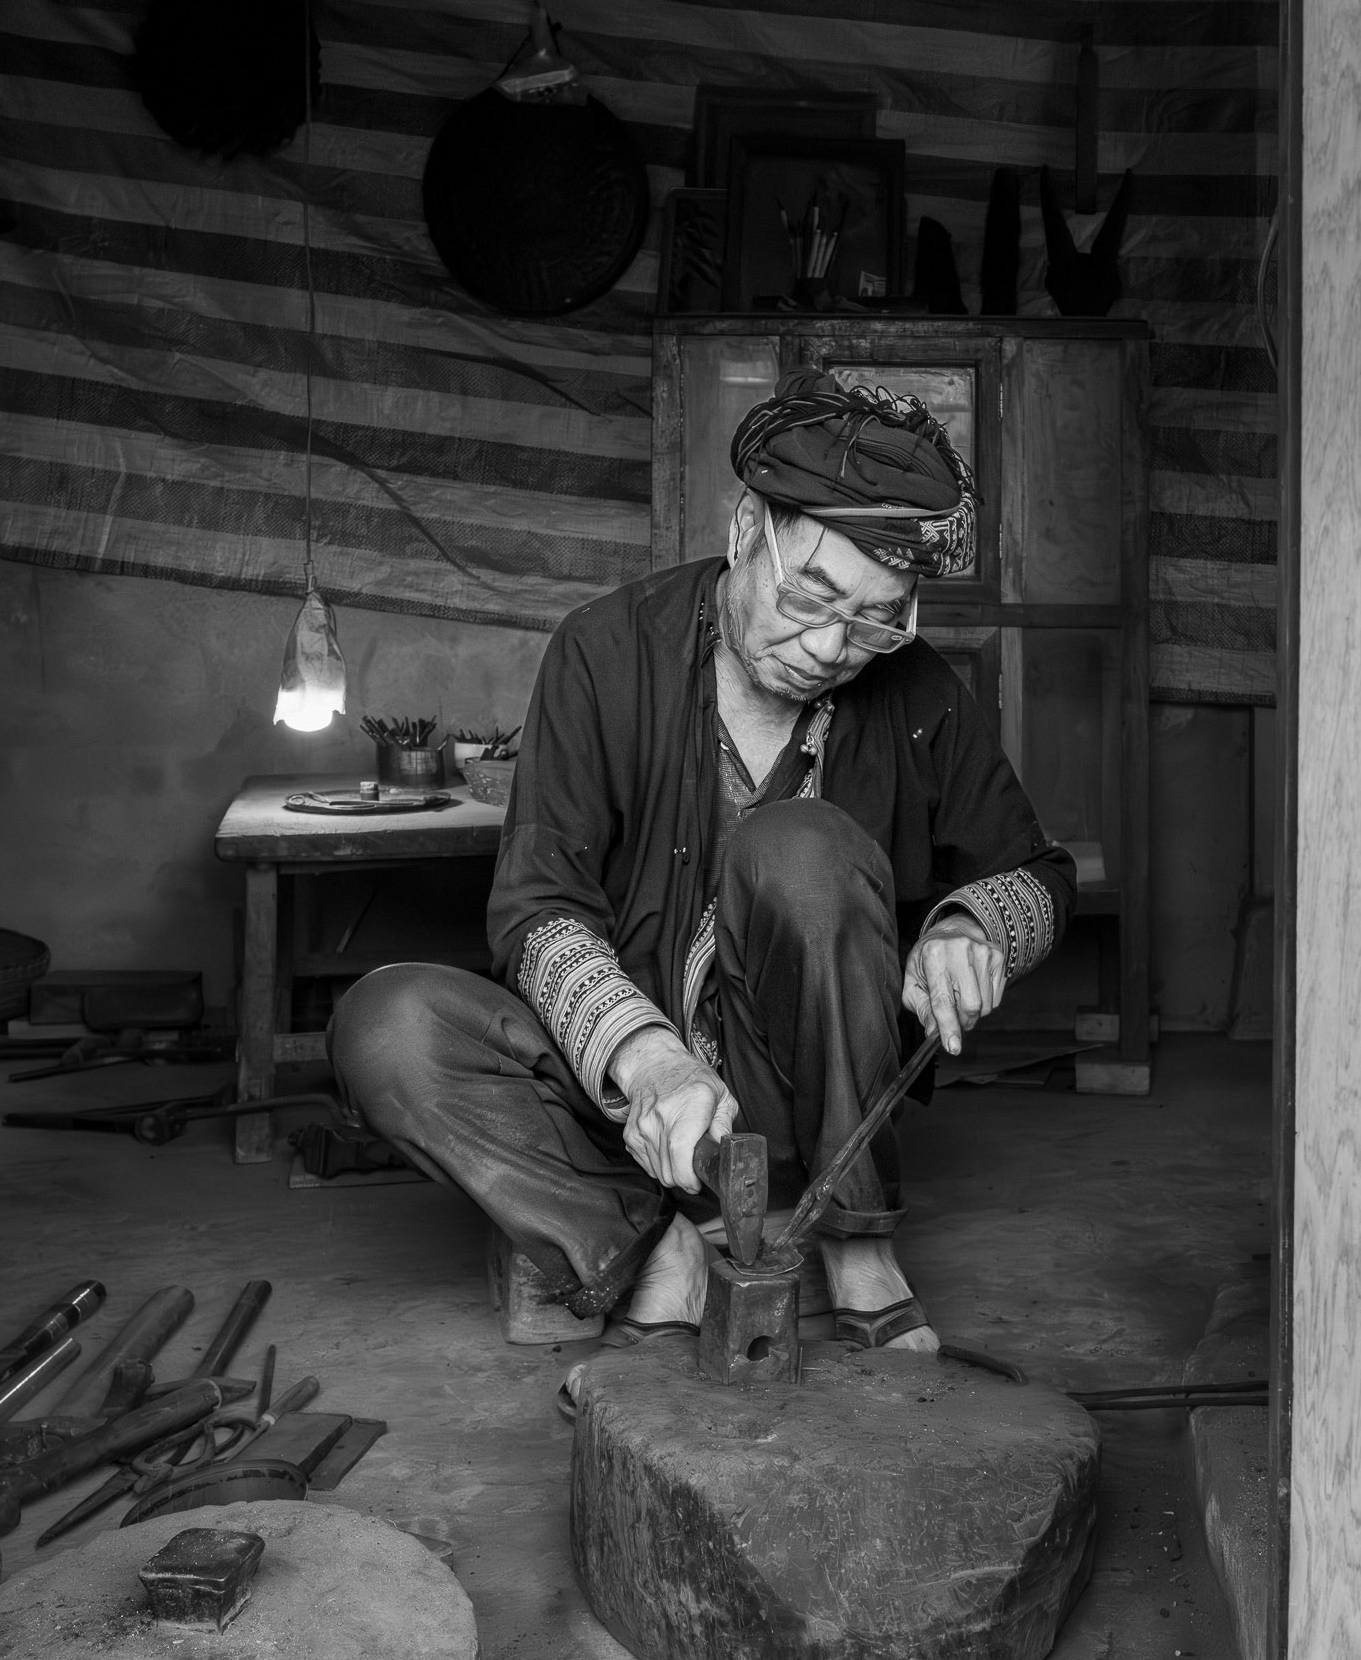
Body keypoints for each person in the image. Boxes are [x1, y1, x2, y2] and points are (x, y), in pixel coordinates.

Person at [330, 371, 1074, 1381]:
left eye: (873, 621)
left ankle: (857, 1242)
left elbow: (1036, 870)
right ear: (744, 528)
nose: (828, 647)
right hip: (633, 1115)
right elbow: (537, 910)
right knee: (388, 1027)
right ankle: (655, 1243)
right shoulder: (603, 652)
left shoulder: (916, 692)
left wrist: (974, 927)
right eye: (810, 595)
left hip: (800, 1103)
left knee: (801, 843)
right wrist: (647, 1058)